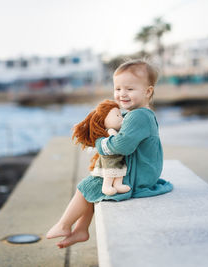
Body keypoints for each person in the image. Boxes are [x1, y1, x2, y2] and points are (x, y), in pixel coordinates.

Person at [46, 58, 173, 248]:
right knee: (96, 182)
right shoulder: (139, 114)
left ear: (148, 91)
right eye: (118, 89)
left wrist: (99, 142)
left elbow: (123, 146)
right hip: (145, 169)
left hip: (140, 175)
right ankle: (81, 229)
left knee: (87, 186)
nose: (122, 94)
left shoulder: (139, 116)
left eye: (129, 89)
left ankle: (64, 225)